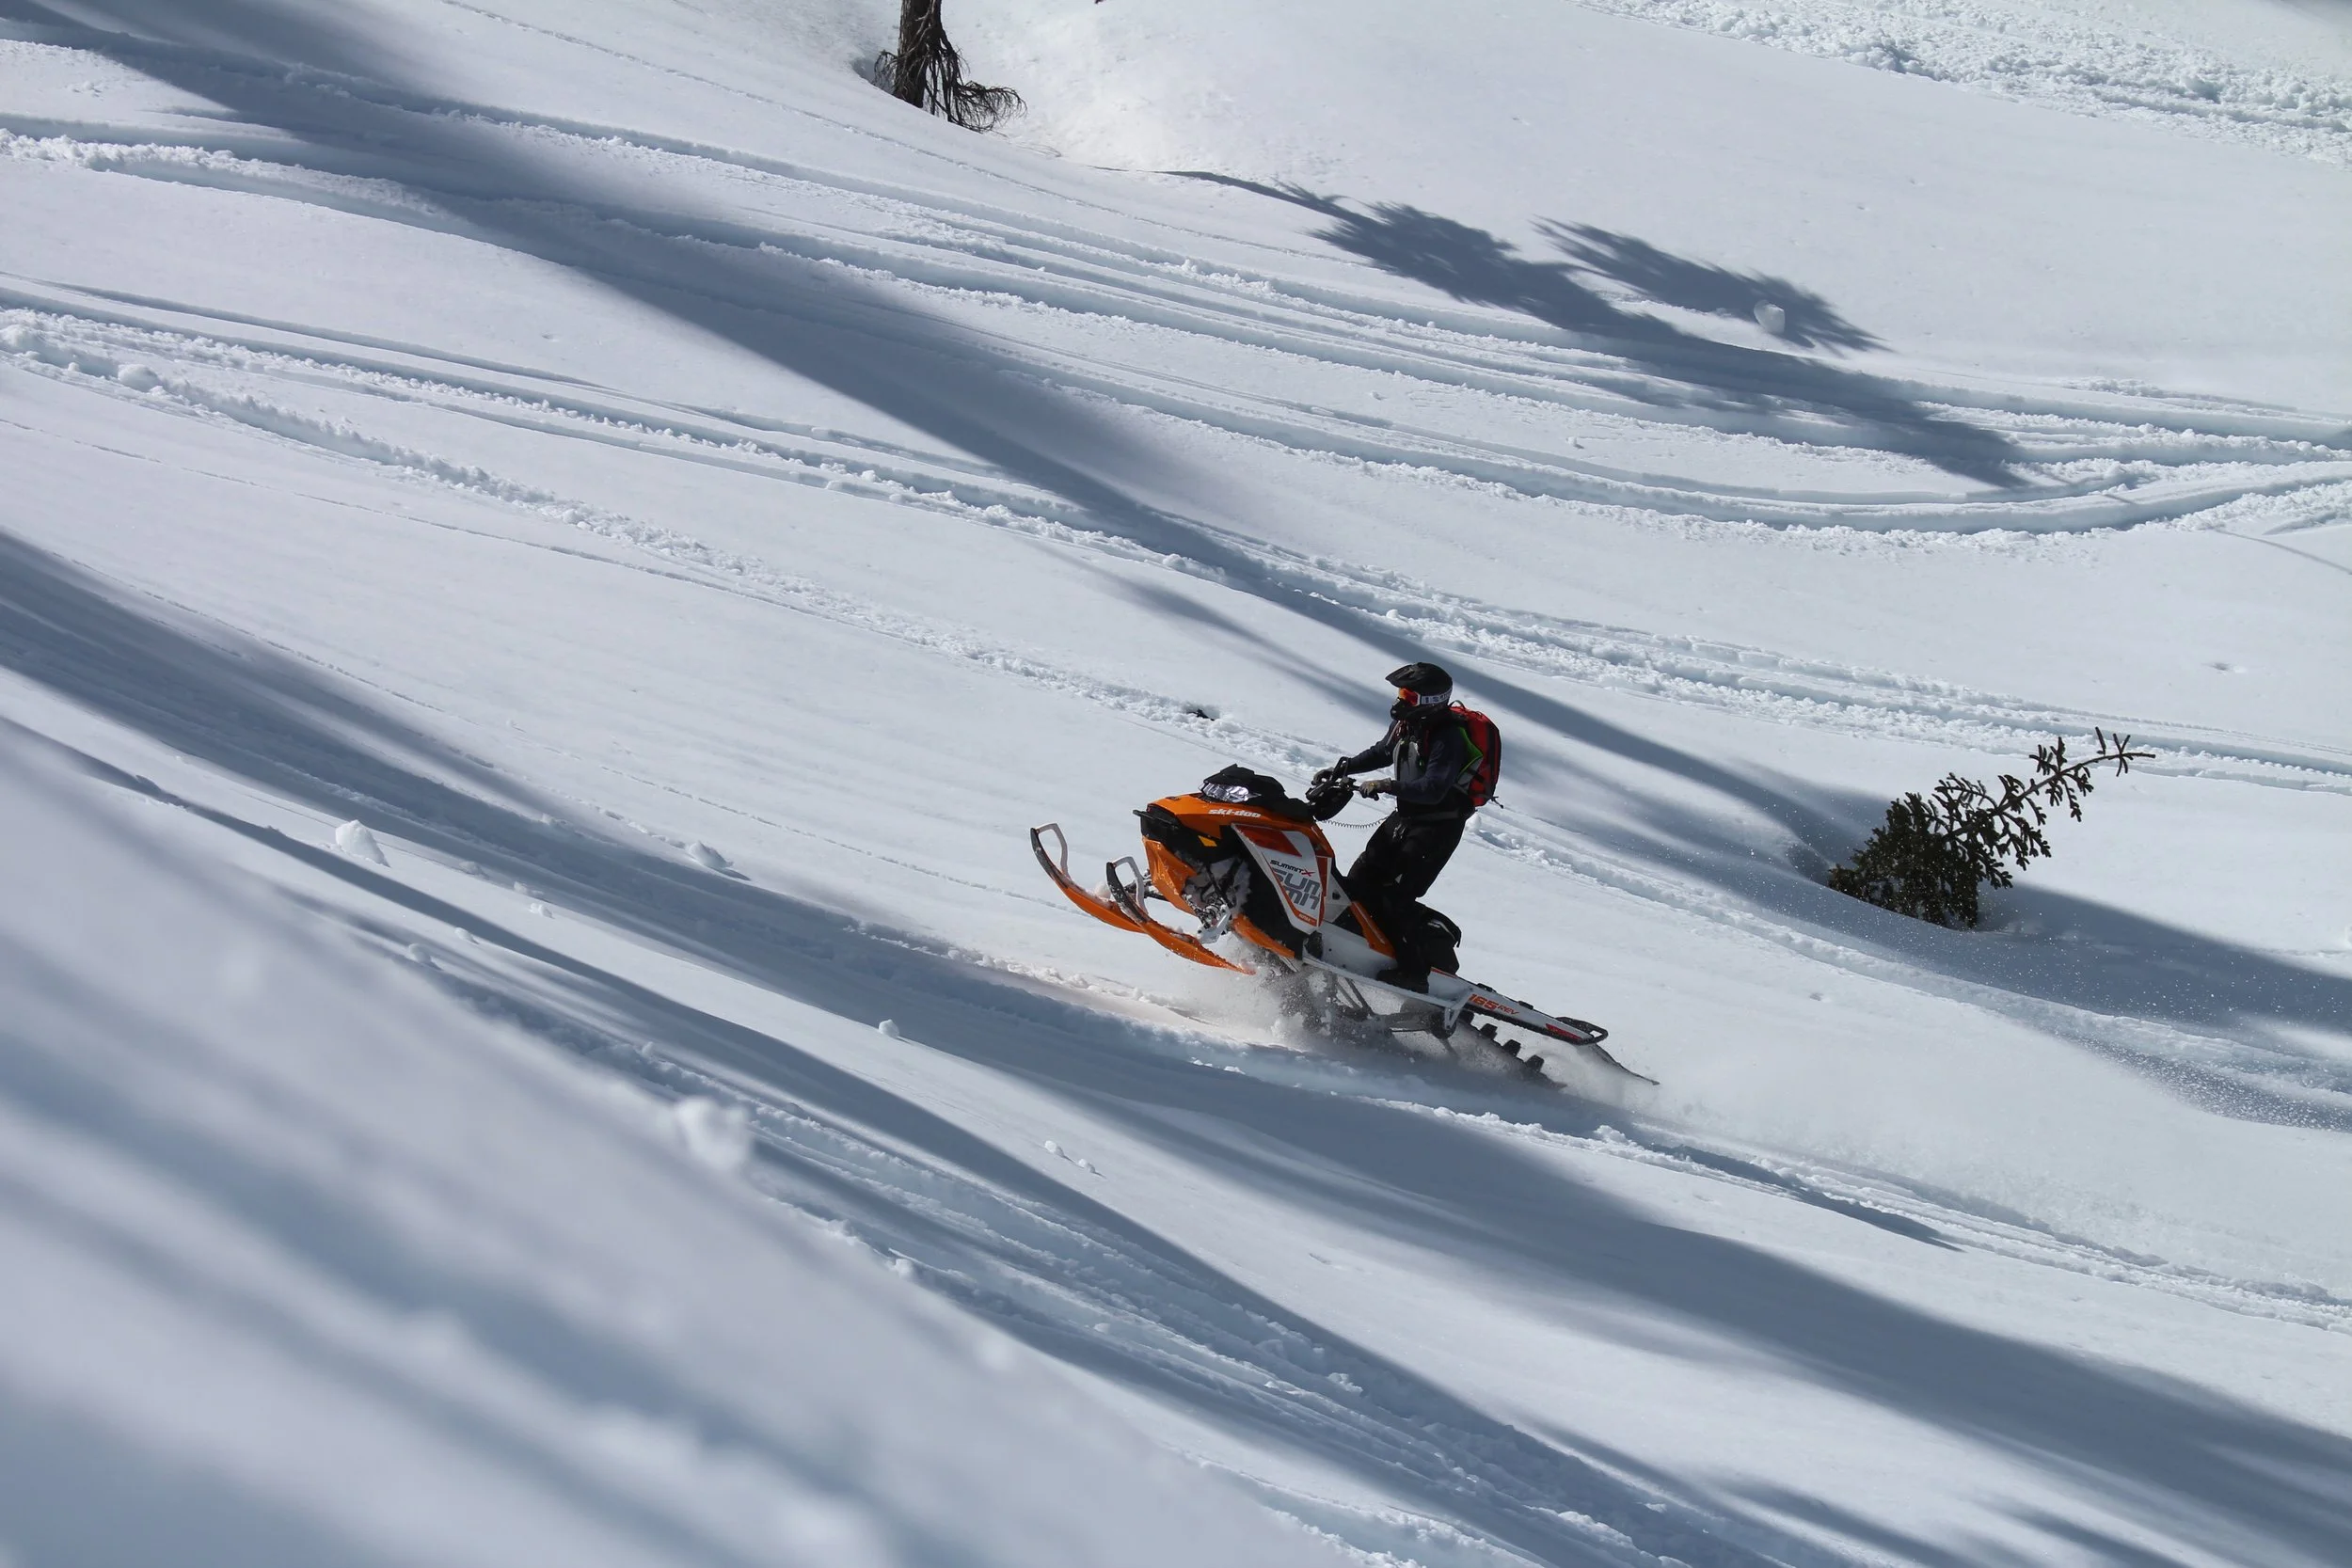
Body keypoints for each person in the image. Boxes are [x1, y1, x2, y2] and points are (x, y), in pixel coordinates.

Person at [1311, 662, 1497, 991]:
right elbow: (1383, 752)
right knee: (1358, 884)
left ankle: (1415, 973)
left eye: (1409, 696)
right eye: (1401, 693)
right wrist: (1343, 768)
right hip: (1404, 819)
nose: (1400, 700)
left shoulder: (1448, 737)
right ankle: (1358, 949)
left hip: (1436, 830)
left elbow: (1434, 788)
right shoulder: (1406, 725)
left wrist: (1388, 786)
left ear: (1431, 701)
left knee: (1396, 899)